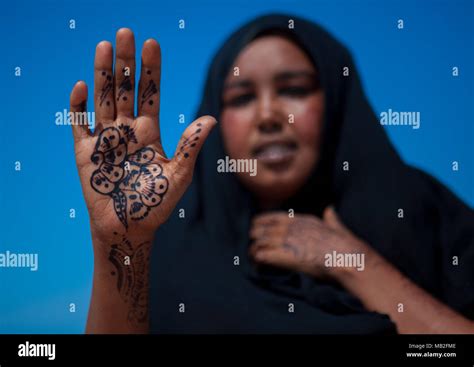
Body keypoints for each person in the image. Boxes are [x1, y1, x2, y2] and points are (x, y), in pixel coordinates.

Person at [69, 14, 474, 334]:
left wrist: (353, 263)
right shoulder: (169, 244)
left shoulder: (422, 215)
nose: (268, 116)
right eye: (242, 98)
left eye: (294, 89)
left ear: (335, 99)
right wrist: (120, 246)